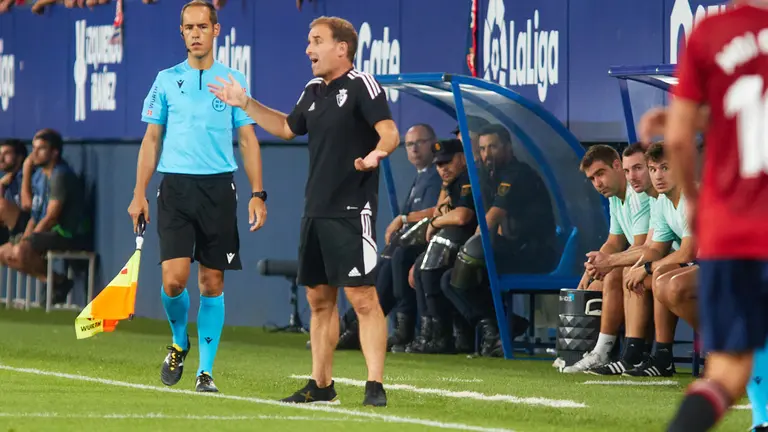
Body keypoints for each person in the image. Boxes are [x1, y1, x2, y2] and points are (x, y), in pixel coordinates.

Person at [208, 16, 399, 406]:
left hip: (352, 209)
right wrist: (246, 103)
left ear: (341, 48)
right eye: (309, 41)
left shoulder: (362, 84)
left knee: (362, 297)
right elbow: (286, 128)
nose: (308, 49)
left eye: (316, 41)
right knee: (318, 300)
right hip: (316, 210)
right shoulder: (313, 90)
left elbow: (389, 131)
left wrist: (377, 154)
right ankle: (321, 385)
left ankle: (374, 385)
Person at [127, 0, 266, 393]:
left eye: (202, 26)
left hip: (219, 189)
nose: (195, 34)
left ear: (216, 30)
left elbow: (247, 139)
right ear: (182, 32)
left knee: (211, 281)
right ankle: (179, 341)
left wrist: (258, 193)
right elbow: (151, 139)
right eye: (188, 27)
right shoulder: (166, 79)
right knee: (173, 281)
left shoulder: (233, 80)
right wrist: (139, 193)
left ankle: (205, 372)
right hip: (175, 188)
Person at [661, 2, 768, 430]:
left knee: (725, 372)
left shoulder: (710, 33)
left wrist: (693, 199)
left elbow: (678, 139)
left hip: (732, 229)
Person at [560, 143, 653, 373]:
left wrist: (608, 264)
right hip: (646, 262)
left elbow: (641, 246)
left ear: (617, 166)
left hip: (655, 263)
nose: (597, 183)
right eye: (592, 179)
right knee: (594, 285)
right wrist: (590, 270)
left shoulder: (638, 194)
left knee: (614, 275)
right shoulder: (614, 197)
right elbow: (613, 241)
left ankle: (606, 352)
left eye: (600, 174)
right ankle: (588, 351)